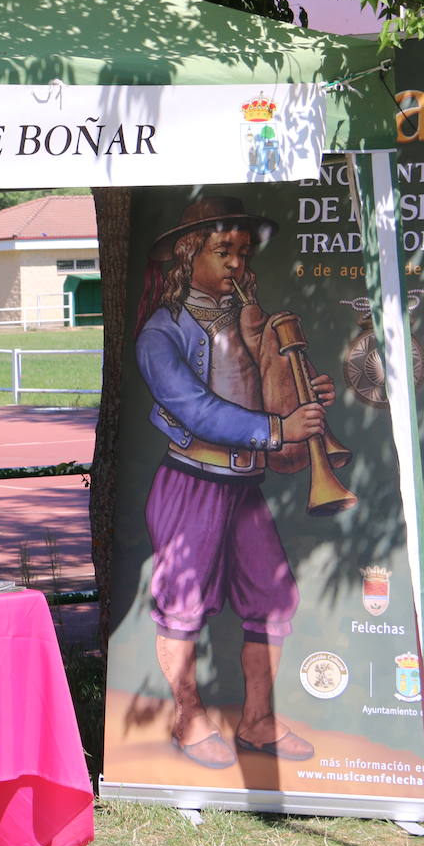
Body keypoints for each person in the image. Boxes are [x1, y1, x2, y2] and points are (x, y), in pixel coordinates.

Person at [134, 195, 335, 770]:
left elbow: (268, 392)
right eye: (223, 250)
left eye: (243, 253)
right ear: (185, 252)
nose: (236, 265)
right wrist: (278, 427)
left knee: (271, 598)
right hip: (190, 482)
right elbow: (196, 410)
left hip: (244, 486)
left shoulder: (253, 322)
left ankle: (257, 719)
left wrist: (303, 397)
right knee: (183, 602)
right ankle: (188, 713)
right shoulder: (161, 333)